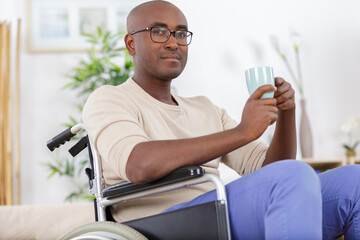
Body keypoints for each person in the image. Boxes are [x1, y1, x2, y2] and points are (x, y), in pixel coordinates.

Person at [82, 1, 360, 239]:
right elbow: (138, 165)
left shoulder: (205, 108)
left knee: (354, 181)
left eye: (181, 34)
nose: (173, 42)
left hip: (215, 211)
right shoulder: (109, 99)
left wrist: (287, 113)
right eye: (158, 32)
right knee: (292, 176)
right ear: (131, 43)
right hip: (161, 223)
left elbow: (272, 170)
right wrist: (242, 131)